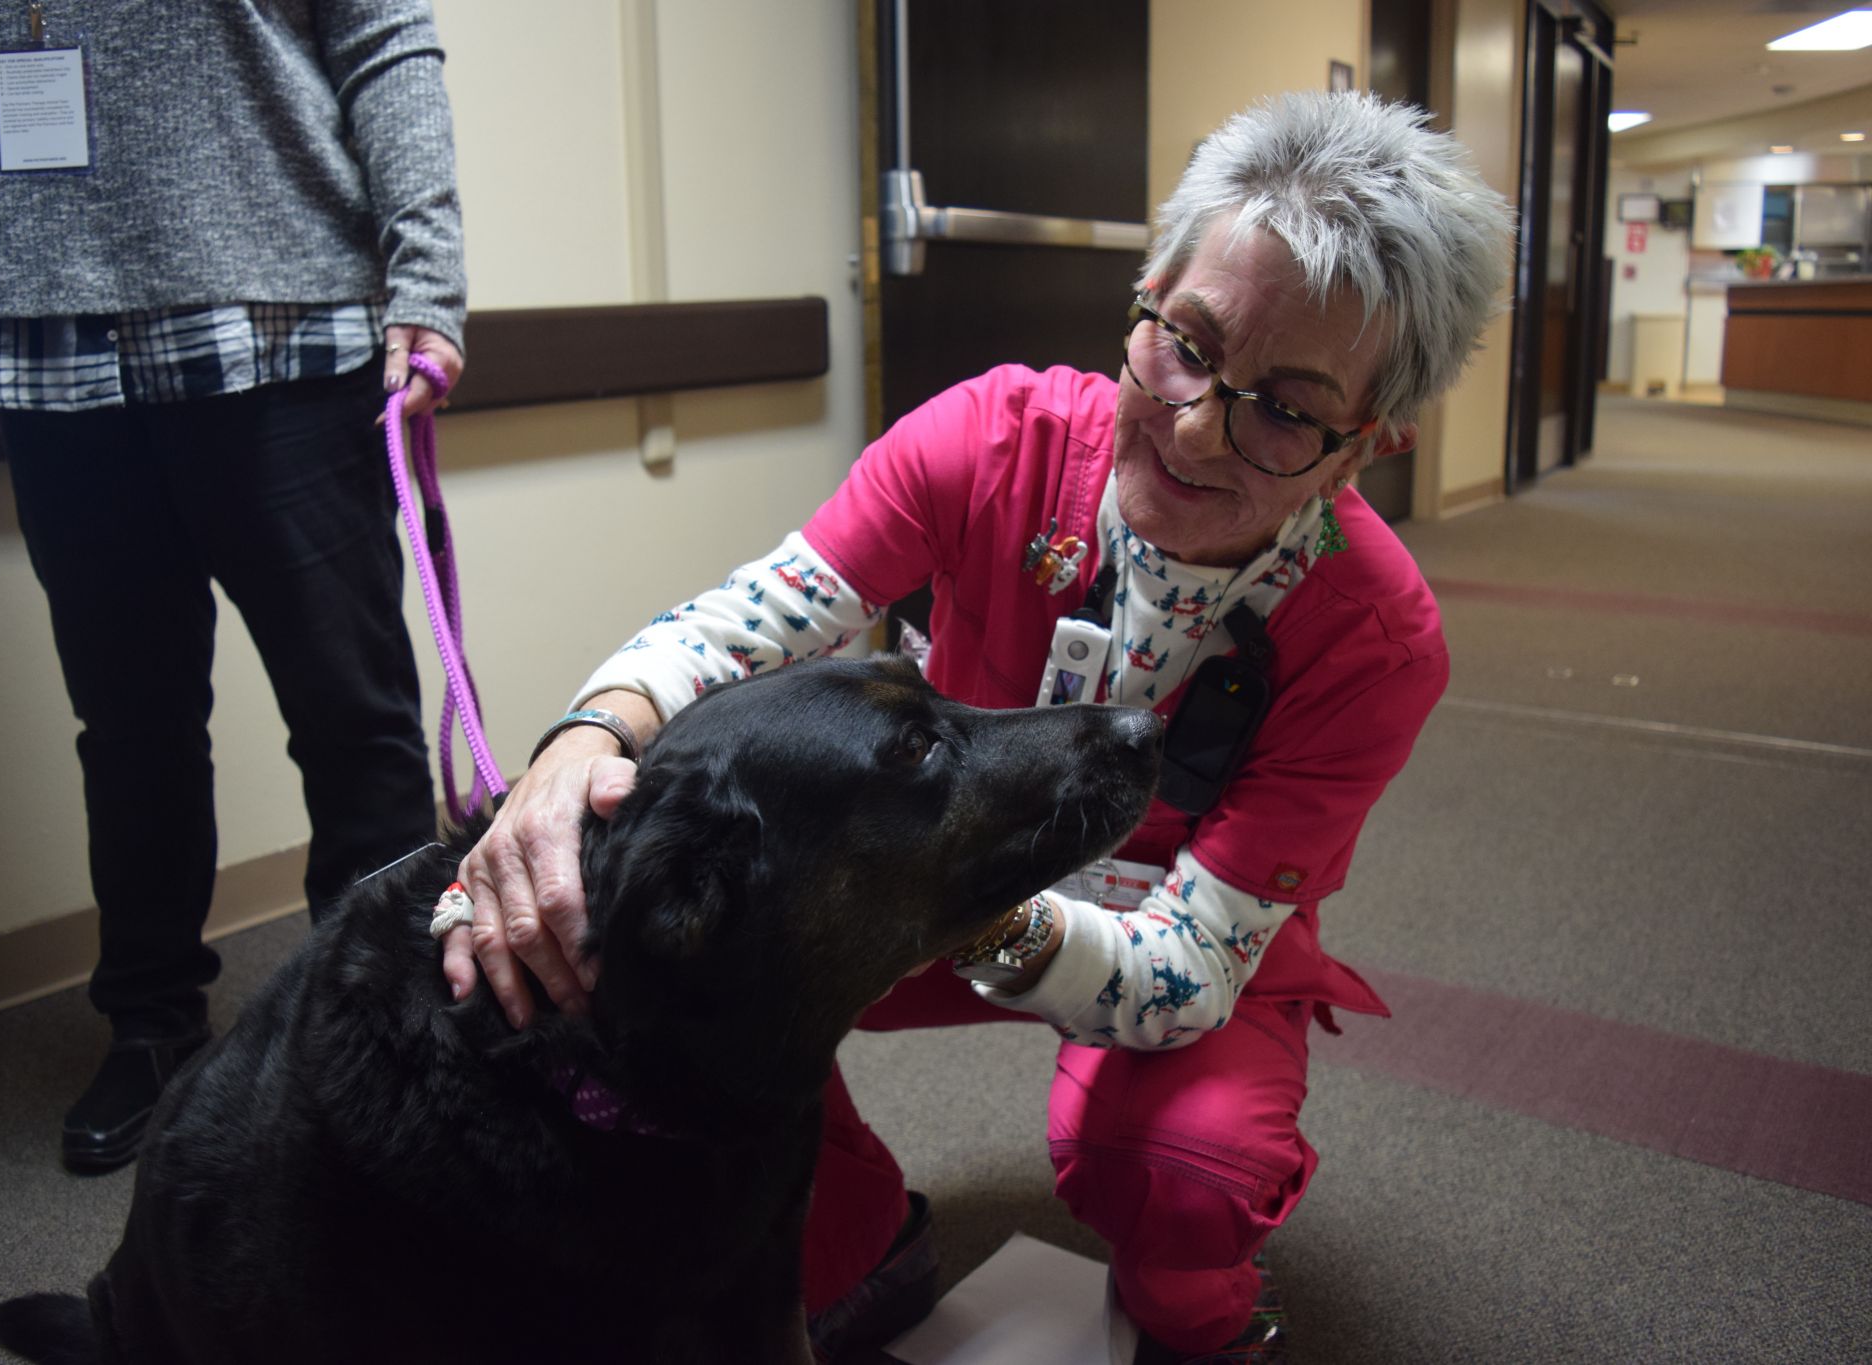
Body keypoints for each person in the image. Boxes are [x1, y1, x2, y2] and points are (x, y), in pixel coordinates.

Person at [444, 92, 1512, 1363]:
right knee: (660, 969)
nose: (1188, 426)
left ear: (1363, 446)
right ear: (1148, 290)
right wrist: (582, 742)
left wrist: (968, 909)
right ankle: (851, 1239)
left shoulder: (1374, 640)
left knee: (1185, 1172)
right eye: (1184, 342)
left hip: (1161, 938)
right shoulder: (993, 436)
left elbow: (1184, 971)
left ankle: (1209, 1316)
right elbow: (748, 620)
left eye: (1283, 408)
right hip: (939, 872)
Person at [0, 0, 465, 1173]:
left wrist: (425, 280)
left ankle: (383, 1028)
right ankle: (153, 1023)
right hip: (50, 350)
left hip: (281, 332)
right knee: (129, 731)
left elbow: (385, 37)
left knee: (353, 716)